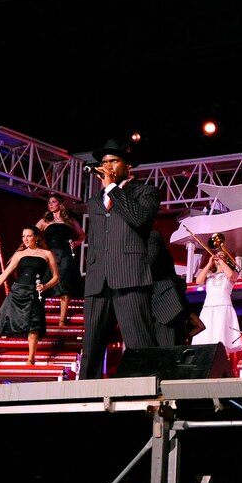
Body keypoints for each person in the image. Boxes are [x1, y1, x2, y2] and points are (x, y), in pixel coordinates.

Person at [81, 138, 160, 379]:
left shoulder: (145, 192)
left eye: (114, 161)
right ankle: (84, 394)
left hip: (129, 275)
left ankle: (147, 390)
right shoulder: (95, 200)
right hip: (98, 280)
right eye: (104, 162)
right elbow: (96, 238)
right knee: (91, 348)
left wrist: (113, 188)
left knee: (139, 342)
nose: (108, 166)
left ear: (128, 165)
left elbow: (140, 220)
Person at [0, 227, 60, 365]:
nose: (25, 239)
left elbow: (56, 277)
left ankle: (31, 359)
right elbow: (4, 275)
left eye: (28, 236)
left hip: (33, 293)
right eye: (23, 236)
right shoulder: (19, 254)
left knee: (33, 327)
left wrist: (45, 286)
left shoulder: (47, 253)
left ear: (36, 237)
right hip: (16, 292)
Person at [36, 193, 85, 326]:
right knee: (43, 283)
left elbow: (82, 235)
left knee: (66, 285)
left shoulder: (70, 220)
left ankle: (61, 320)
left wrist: (76, 242)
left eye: (53, 201)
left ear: (60, 203)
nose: (50, 204)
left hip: (65, 255)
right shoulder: (45, 220)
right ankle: (38, 319)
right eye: (49, 202)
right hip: (50, 254)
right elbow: (33, 233)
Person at [147, 230, 203, 346]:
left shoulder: (151, 237)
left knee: (167, 353)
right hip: (155, 306)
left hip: (164, 307)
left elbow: (148, 265)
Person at [192, 249, 242, 353]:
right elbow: (198, 281)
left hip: (223, 308)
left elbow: (230, 275)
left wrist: (221, 262)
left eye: (221, 255)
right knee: (206, 338)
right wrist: (209, 263)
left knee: (220, 337)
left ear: (226, 260)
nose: (218, 257)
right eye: (217, 255)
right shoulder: (209, 275)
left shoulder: (233, 274)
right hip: (208, 309)